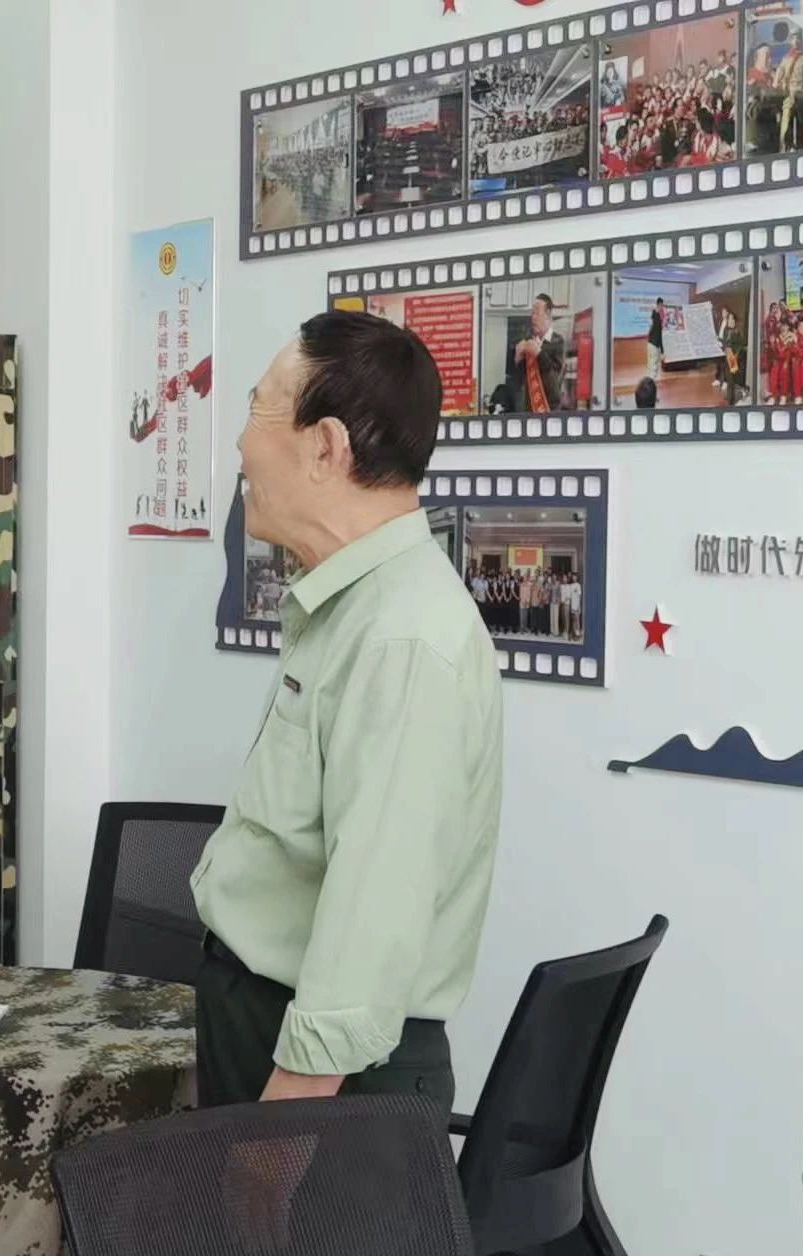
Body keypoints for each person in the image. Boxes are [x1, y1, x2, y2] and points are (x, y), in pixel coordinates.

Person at [191, 310, 504, 1116]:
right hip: (267, 1024)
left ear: (325, 447)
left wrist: (280, 1138)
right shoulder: (354, 605)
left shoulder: (402, 637)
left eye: (258, 409)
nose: (240, 446)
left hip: (325, 1079)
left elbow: (376, 906)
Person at [512, 293, 566, 414]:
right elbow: (520, 380)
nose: (533, 317)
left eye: (537, 313)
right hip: (528, 409)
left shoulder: (558, 341)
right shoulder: (528, 340)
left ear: (548, 314)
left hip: (549, 409)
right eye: (532, 313)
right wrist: (517, 360)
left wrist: (538, 353)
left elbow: (555, 377)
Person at [648, 298, 666, 380]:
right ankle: (652, 380)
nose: (662, 307)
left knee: (651, 363)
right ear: (660, 304)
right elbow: (659, 337)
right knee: (654, 363)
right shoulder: (658, 321)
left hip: (650, 343)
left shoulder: (654, 317)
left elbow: (653, 317)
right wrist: (662, 351)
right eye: (662, 305)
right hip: (654, 344)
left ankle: (650, 379)